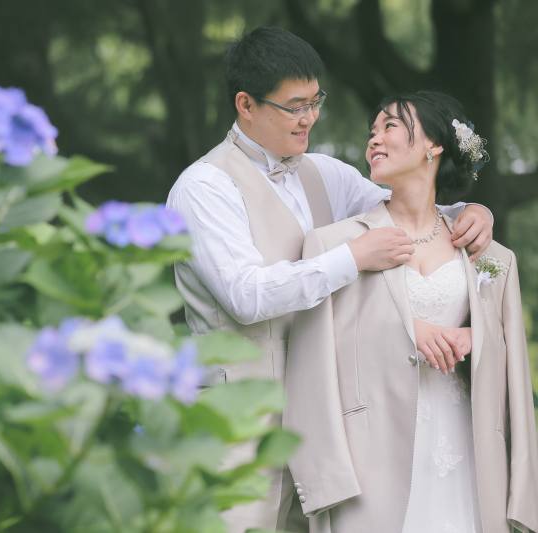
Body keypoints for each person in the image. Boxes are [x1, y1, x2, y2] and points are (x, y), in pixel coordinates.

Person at [166, 27, 494, 532]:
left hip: (328, 418)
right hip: (239, 421)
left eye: (316, 100)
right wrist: (351, 257)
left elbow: (408, 212)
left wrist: (471, 210)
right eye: (294, 106)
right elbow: (247, 296)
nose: (310, 117)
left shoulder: (324, 172)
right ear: (246, 105)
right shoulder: (203, 187)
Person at [283, 91, 538, 533]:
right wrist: (407, 331)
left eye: (390, 127)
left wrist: (476, 338)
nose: (374, 140)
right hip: (369, 463)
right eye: (371, 132)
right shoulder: (334, 244)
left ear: (434, 146)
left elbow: (515, 372)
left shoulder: (491, 255)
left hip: (469, 452)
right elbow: (312, 365)